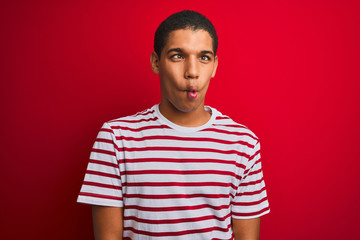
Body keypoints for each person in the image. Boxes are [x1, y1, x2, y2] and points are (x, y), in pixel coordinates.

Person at [77, 10, 270, 240]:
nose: (192, 72)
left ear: (215, 66)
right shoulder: (116, 138)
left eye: (204, 57)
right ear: (156, 62)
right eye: (178, 56)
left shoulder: (243, 144)